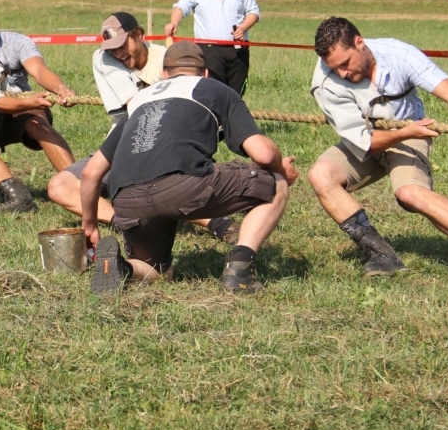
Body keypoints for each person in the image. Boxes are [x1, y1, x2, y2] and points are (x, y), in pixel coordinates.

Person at [307, 16, 448, 283]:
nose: (342, 73)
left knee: (409, 194)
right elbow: (363, 141)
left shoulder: (400, 55)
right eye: (334, 68)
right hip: (368, 138)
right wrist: (405, 132)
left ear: (360, 43)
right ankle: (380, 255)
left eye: (345, 64)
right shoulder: (325, 81)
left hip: (409, 133)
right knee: (320, 175)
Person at [81, 41, 297, 296]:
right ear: (204, 73)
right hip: (182, 186)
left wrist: (90, 225)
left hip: (127, 198)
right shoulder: (215, 88)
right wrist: (282, 169)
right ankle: (239, 269)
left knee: (159, 271)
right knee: (275, 183)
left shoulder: (139, 101)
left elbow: (91, 172)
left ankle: (122, 267)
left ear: (164, 74)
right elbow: (264, 153)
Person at [46, 12, 242, 243]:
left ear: (139, 34)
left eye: (122, 45)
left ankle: (218, 223)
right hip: (120, 146)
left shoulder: (170, 62)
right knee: (59, 186)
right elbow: (134, 105)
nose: (117, 53)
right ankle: (127, 221)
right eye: (111, 48)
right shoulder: (104, 58)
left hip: (167, 149)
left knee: (167, 183)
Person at [0, 0, 76, 212]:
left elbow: (39, 70)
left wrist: (60, 88)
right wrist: (28, 101)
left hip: (24, 108)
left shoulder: (17, 42)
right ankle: (18, 197)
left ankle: (78, 185)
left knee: (38, 123)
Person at [163, 0, 260, 95]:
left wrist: (243, 27)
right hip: (208, 51)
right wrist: (174, 23)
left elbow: (253, 12)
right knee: (213, 92)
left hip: (238, 50)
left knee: (236, 94)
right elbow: (181, 7)